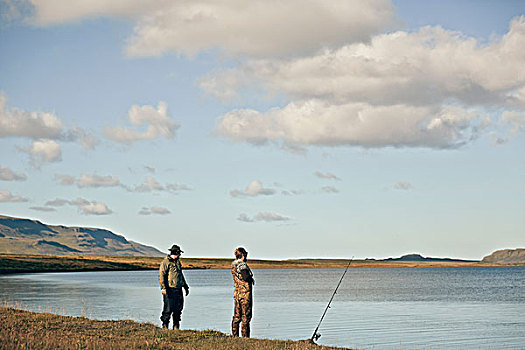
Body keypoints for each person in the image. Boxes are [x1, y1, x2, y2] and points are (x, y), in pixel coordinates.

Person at [159, 244, 189, 330]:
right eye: (178, 253)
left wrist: (185, 286)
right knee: (168, 309)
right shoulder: (165, 262)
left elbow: (180, 275)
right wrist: (163, 288)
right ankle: (165, 326)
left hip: (178, 289)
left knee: (178, 309)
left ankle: (176, 327)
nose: (179, 255)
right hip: (169, 289)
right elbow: (162, 275)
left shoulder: (178, 262)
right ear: (175, 253)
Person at [231, 247, 254, 337]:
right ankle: (245, 337)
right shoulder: (242, 265)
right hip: (245, 295)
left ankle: (235, 336)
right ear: (243, 255)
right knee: (246, 317)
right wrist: (250, 278)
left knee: (237, 316)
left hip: (237, 293)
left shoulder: (233, 265)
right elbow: (245, 277)